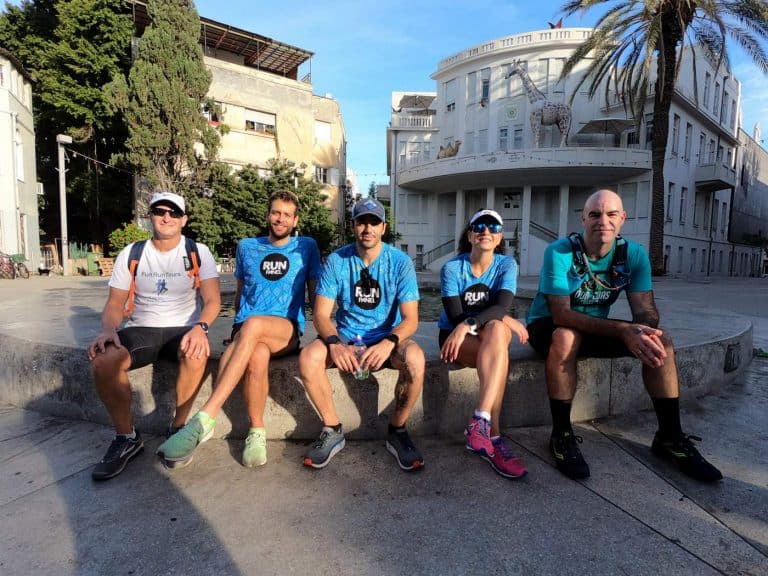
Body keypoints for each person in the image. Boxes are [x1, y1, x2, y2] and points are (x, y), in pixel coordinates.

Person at [526, 189, 722, 482]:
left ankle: (670, 437)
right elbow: (561, 315)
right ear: (583, 219)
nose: (602, 221)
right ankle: (562, 435)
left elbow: (645, 310)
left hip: (592, 327)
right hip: (548, 326)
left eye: (611, 214)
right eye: (594, 214)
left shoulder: (633, 255)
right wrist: (622, 330)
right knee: (566, 336)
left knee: (660, 341)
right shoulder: (561, 252)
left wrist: (642, 331)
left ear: (622, 219)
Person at [157, 190, 321, 468]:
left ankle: (206, 417)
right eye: (276, 212)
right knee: (256, 353)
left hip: (285, 330)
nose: (280, 219)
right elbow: (241, 294)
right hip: (248, 331)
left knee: (255, 324)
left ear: (295, 221)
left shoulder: (306, 247)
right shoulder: (247, 247)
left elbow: (315, 295)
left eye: (287, 215)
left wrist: (326, 335)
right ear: (267, 215)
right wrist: (238, 331)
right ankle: (256, 431)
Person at [87, 191, 220, 481]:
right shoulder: (132, 253)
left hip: (184, 328)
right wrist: (108, 331)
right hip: (141, 329)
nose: (166, 217)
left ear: (184, 220)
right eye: (160, 211)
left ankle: (178, 429)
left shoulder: (198, 252)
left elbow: (212, 301)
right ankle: (127, 437)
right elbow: (115, 304)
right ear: (150, 216)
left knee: (197, 351)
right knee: (103, 360)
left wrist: (201, 328)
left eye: (174, 213)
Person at [298, 197, 426, 471]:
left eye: (374, 222)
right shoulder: (337, 260)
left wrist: (389, 342)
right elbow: (321, 315)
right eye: (361, 222)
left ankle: (398, 430)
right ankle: (332, 429)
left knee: (415, 359)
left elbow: (411, 319)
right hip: (346, 336)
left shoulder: (400, 262)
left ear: (383, 227)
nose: (368, 228)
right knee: (309, 357)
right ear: (353, 226)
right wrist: (335, 343)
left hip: (386, 337)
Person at [439, 209, 530, 479]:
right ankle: (493, 436)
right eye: (479, 227)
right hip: (455, 340)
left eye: (493, 227)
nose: (486, 231)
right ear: (469, 235)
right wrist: (502, 317)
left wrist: (491, 318)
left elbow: (502, 305)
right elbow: (455, 317)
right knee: (499, 343)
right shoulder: (452, 268)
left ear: (500, 237)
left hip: (483, 335)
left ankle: (482, 422)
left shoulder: (506, 265)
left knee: (498, 332)